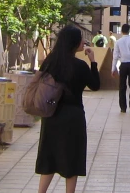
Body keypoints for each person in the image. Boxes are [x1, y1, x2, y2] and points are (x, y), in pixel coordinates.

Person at [36, 26, 100, 193]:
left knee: (49, 156)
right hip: (73, 116)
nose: (83, 42)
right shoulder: (80, 66)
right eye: (81, 39)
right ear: (74, 42)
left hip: (51, 114)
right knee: (72, 158)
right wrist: (93, 61)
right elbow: (95, 85)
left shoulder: (50, 62)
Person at [112, 24, 130, 114]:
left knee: (122, 86)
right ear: (129, 30)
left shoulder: (118, 42)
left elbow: (115, 56)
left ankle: (123, 107)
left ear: (121, 30)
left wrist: (113, 69)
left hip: (123, 65)